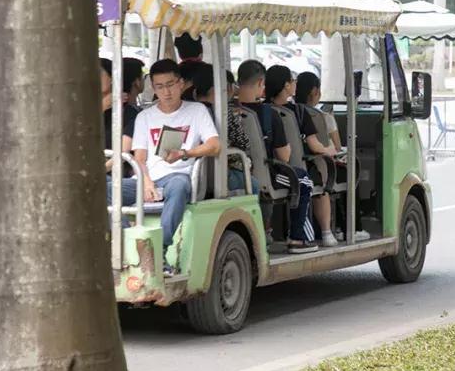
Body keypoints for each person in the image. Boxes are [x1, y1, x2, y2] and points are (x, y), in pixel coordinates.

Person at [120, 59, 220, 262]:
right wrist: (146, 182)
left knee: (179, 185)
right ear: (153, 89)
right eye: (160, 87)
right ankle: (127, 244)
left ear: (181, 84)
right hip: (148, 178)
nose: (166, 92)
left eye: (170, 84)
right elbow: (139, 157)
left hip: (177, 176)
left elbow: (214, 145)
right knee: (104, 191)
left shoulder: (197, 111)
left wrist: (184, 154)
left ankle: (159, 251)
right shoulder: (145, 117)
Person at [237, 60, 317, 253]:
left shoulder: (229, 111)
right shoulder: (269, 114)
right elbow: (284, 156)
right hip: (267, 176)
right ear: (259, 84)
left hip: (240, 173)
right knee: (304, 181)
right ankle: (298, 237)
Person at [268, 65, 347, 247]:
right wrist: (332, 150)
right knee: (320, 179)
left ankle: (269, 231)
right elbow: (315, 146)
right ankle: (325, 232)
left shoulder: (263, 109)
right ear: (286, 86)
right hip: (296, 169)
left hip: (268, 169)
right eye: (292, 80)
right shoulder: (300, 112)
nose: (294, 84)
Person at [192, 63, 256, 194]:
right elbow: (244, 143)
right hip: (220, 174)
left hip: (192, 173)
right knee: (254, 184)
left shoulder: (188, 110)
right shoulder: (223, 113)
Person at [101, 59, 139, 181]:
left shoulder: (128, 112)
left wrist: (98, 172)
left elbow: (123, 153)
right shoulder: (86, 110)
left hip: (114, 175)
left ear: (112, 77)